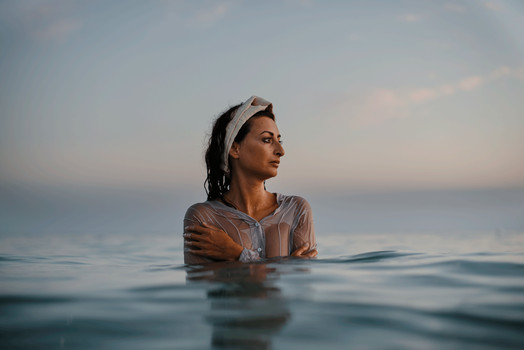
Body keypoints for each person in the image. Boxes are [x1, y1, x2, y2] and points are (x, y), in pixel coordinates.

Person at [183, 96, 317, 264]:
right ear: (234, 148)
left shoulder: (296, 210)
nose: (281, 150)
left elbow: (303, 283)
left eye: (279, 140)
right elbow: (202, 284)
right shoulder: (203, 217)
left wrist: (236, 254)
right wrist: (284, 264)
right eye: (267, 140)